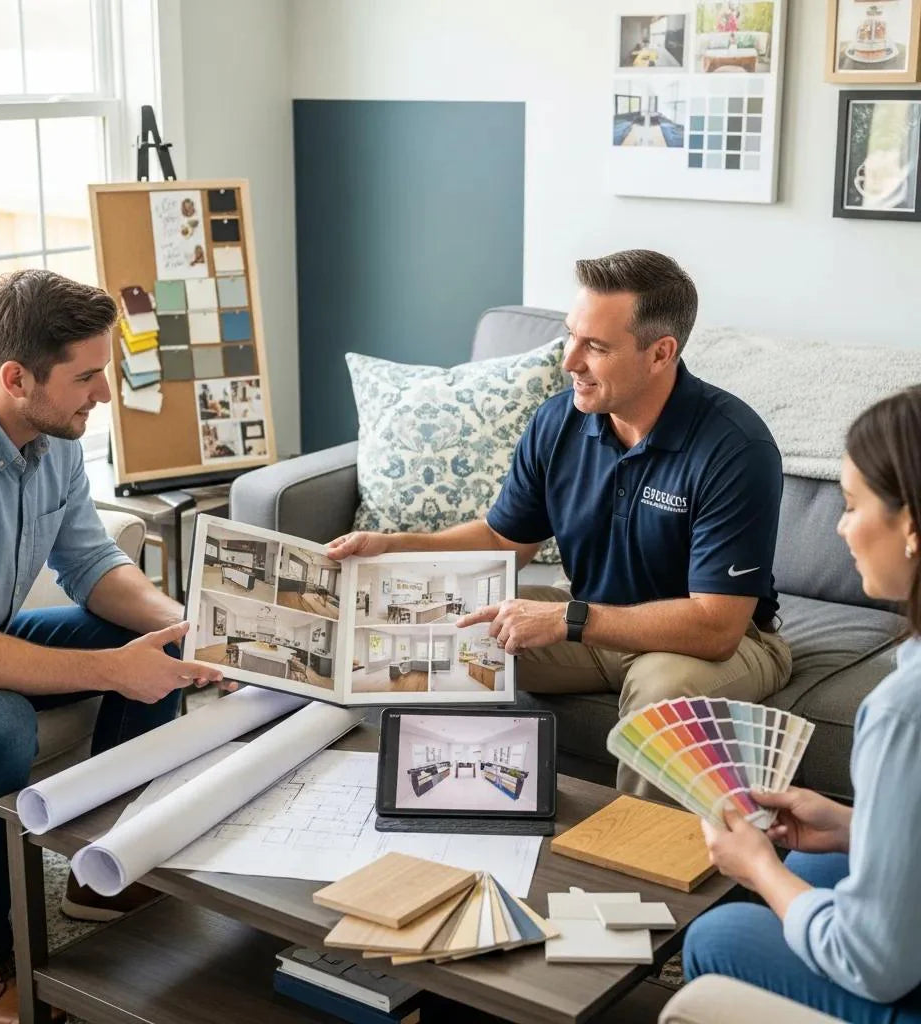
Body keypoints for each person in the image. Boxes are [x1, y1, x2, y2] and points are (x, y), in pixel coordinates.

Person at [327, 250, 792, 795]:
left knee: (666, 692)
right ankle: (438, 810)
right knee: (434, 636)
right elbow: (504, 538)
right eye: (573, 336)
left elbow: (715, 627)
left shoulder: (735, 448)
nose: (570, 361)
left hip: (712, 642)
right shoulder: (560, 422)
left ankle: (644, 867)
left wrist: (571, 619)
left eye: (595, 346)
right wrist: (394, 547)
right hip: (591, 621)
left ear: (661, 353)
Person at [0, 270, 224, 1024]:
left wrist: (185, 627)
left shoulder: (52, 433)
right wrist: (117, 671)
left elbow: (94, 568)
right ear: (16, 378)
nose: (104, 394)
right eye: (86, 377)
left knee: (148, 637)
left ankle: (94, 874)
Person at [686, 386, 921, 1023]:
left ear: (912, 528)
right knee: (820, 862)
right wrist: (854, 823)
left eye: (851, 506)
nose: (841, 527)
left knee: (717, 934)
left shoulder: (903, 710)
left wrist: (760, 870)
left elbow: (872, 963)